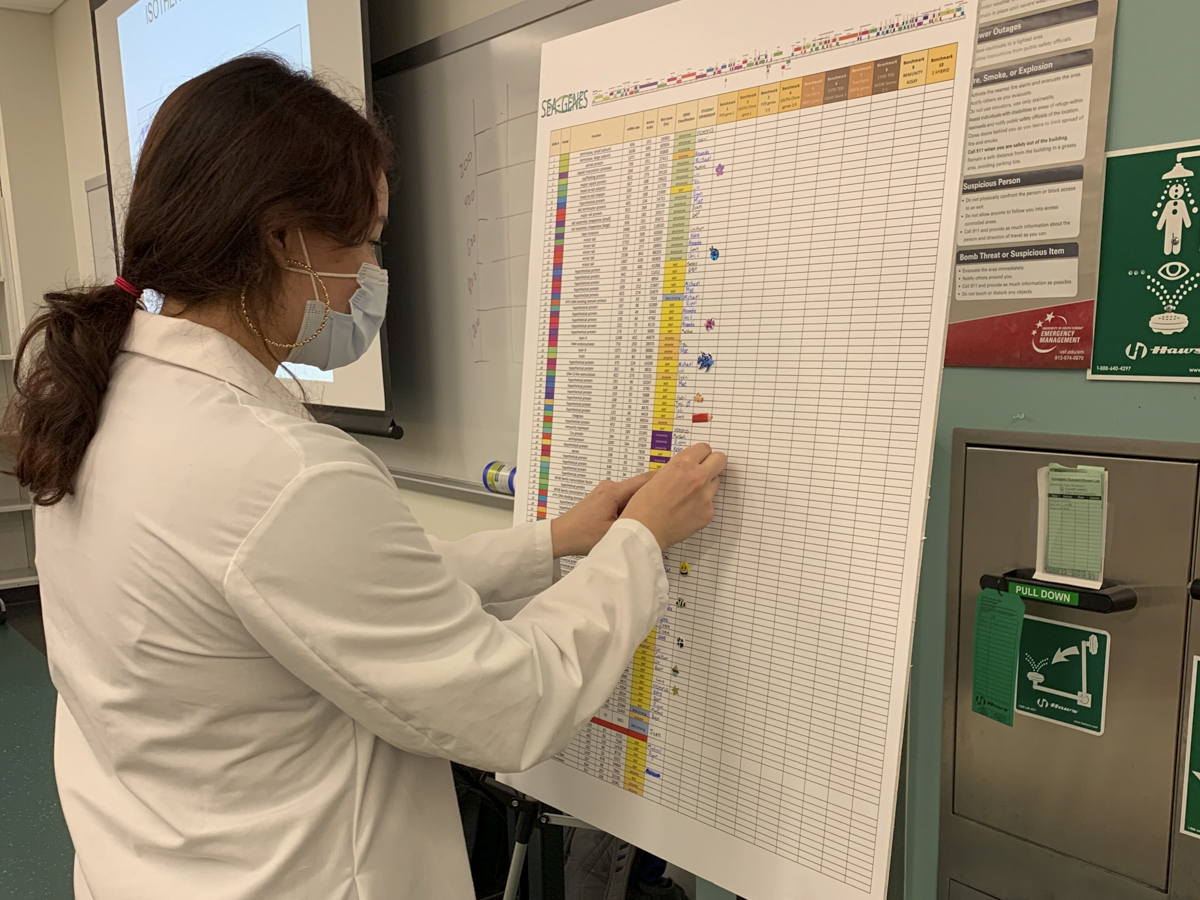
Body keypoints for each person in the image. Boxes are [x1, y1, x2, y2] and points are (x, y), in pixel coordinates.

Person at [6, 57, 725, 899]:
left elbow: (312, 596)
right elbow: (510, 701)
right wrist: (640, 544)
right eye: (366, 241)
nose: (370, 275)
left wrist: (554, 543)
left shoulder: (101, 396)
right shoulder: (272, 472)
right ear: (283, 238)